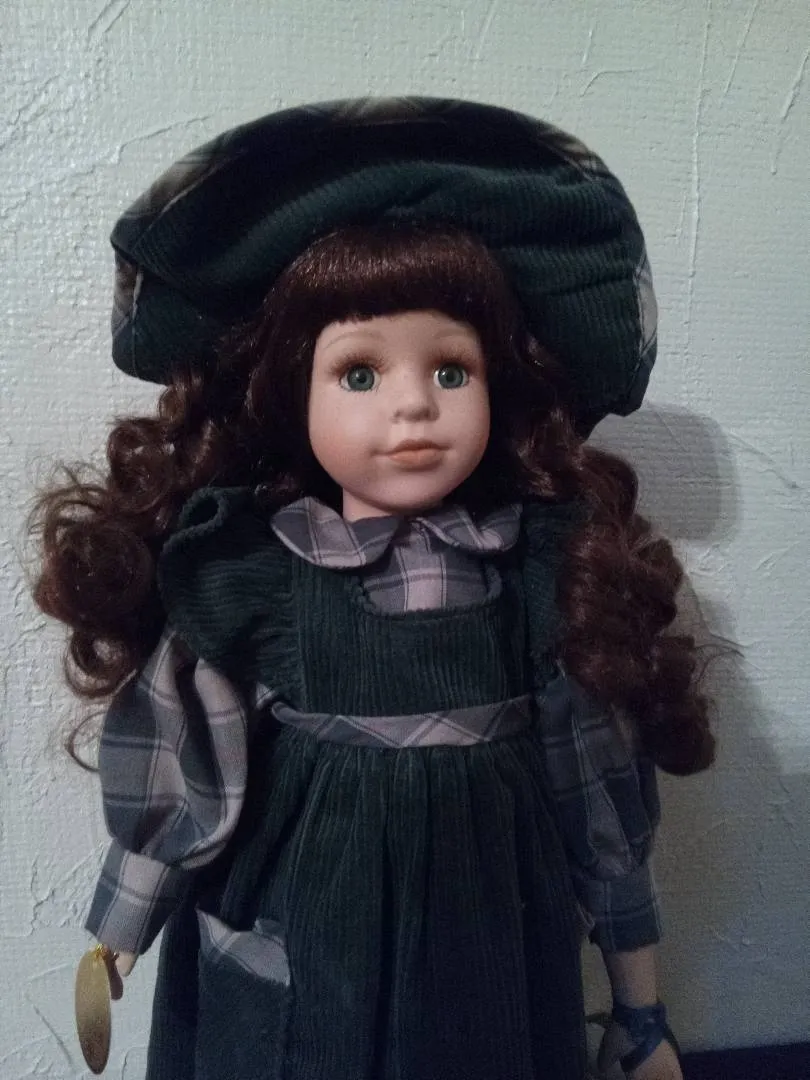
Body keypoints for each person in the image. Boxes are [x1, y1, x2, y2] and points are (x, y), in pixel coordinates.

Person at [32, 98, 714, 1080]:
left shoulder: (541, 573)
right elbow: (185, 759)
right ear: (289, 393)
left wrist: (640, 1010)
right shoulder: (250, 575)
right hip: (307, 918)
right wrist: (118, 936)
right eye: (358, 373)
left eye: (451, 369)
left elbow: (599, 795)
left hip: (489, 933)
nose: (412, 407)